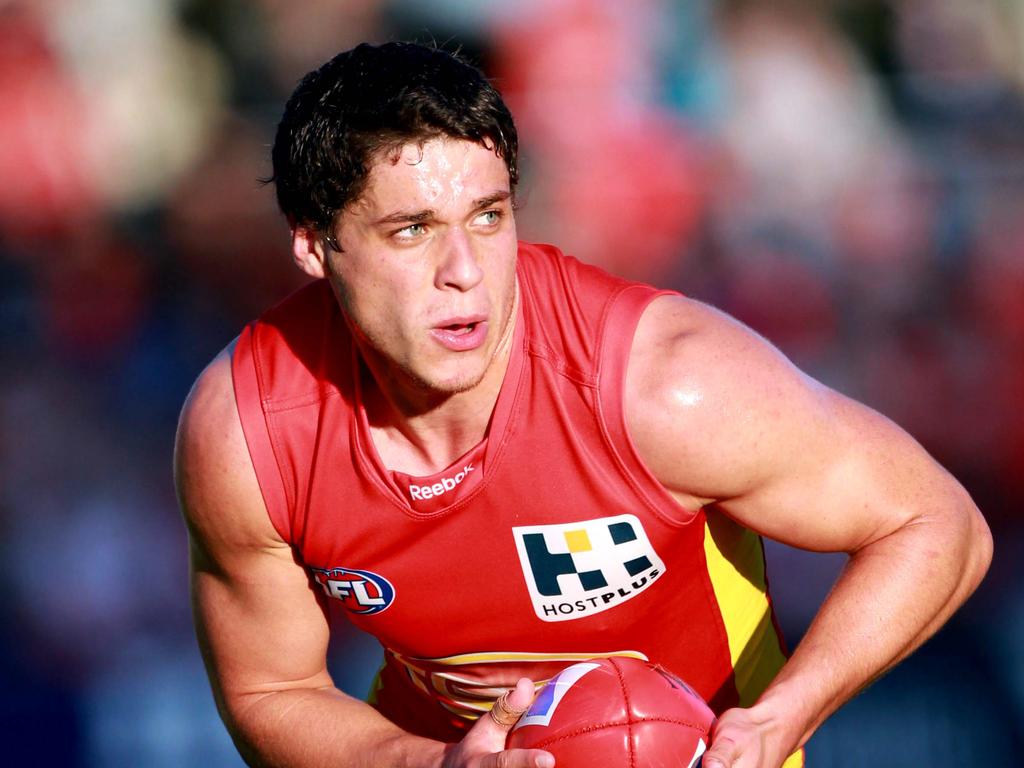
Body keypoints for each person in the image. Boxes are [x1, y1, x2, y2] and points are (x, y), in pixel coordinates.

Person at [174, 42, 992, 768]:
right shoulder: (250, 434)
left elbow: (936, 525)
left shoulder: (665, 385)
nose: (465, 269)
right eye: (412, 230)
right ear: (315, 244)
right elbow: (272, 691)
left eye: (488, 216)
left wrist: (780, 718)